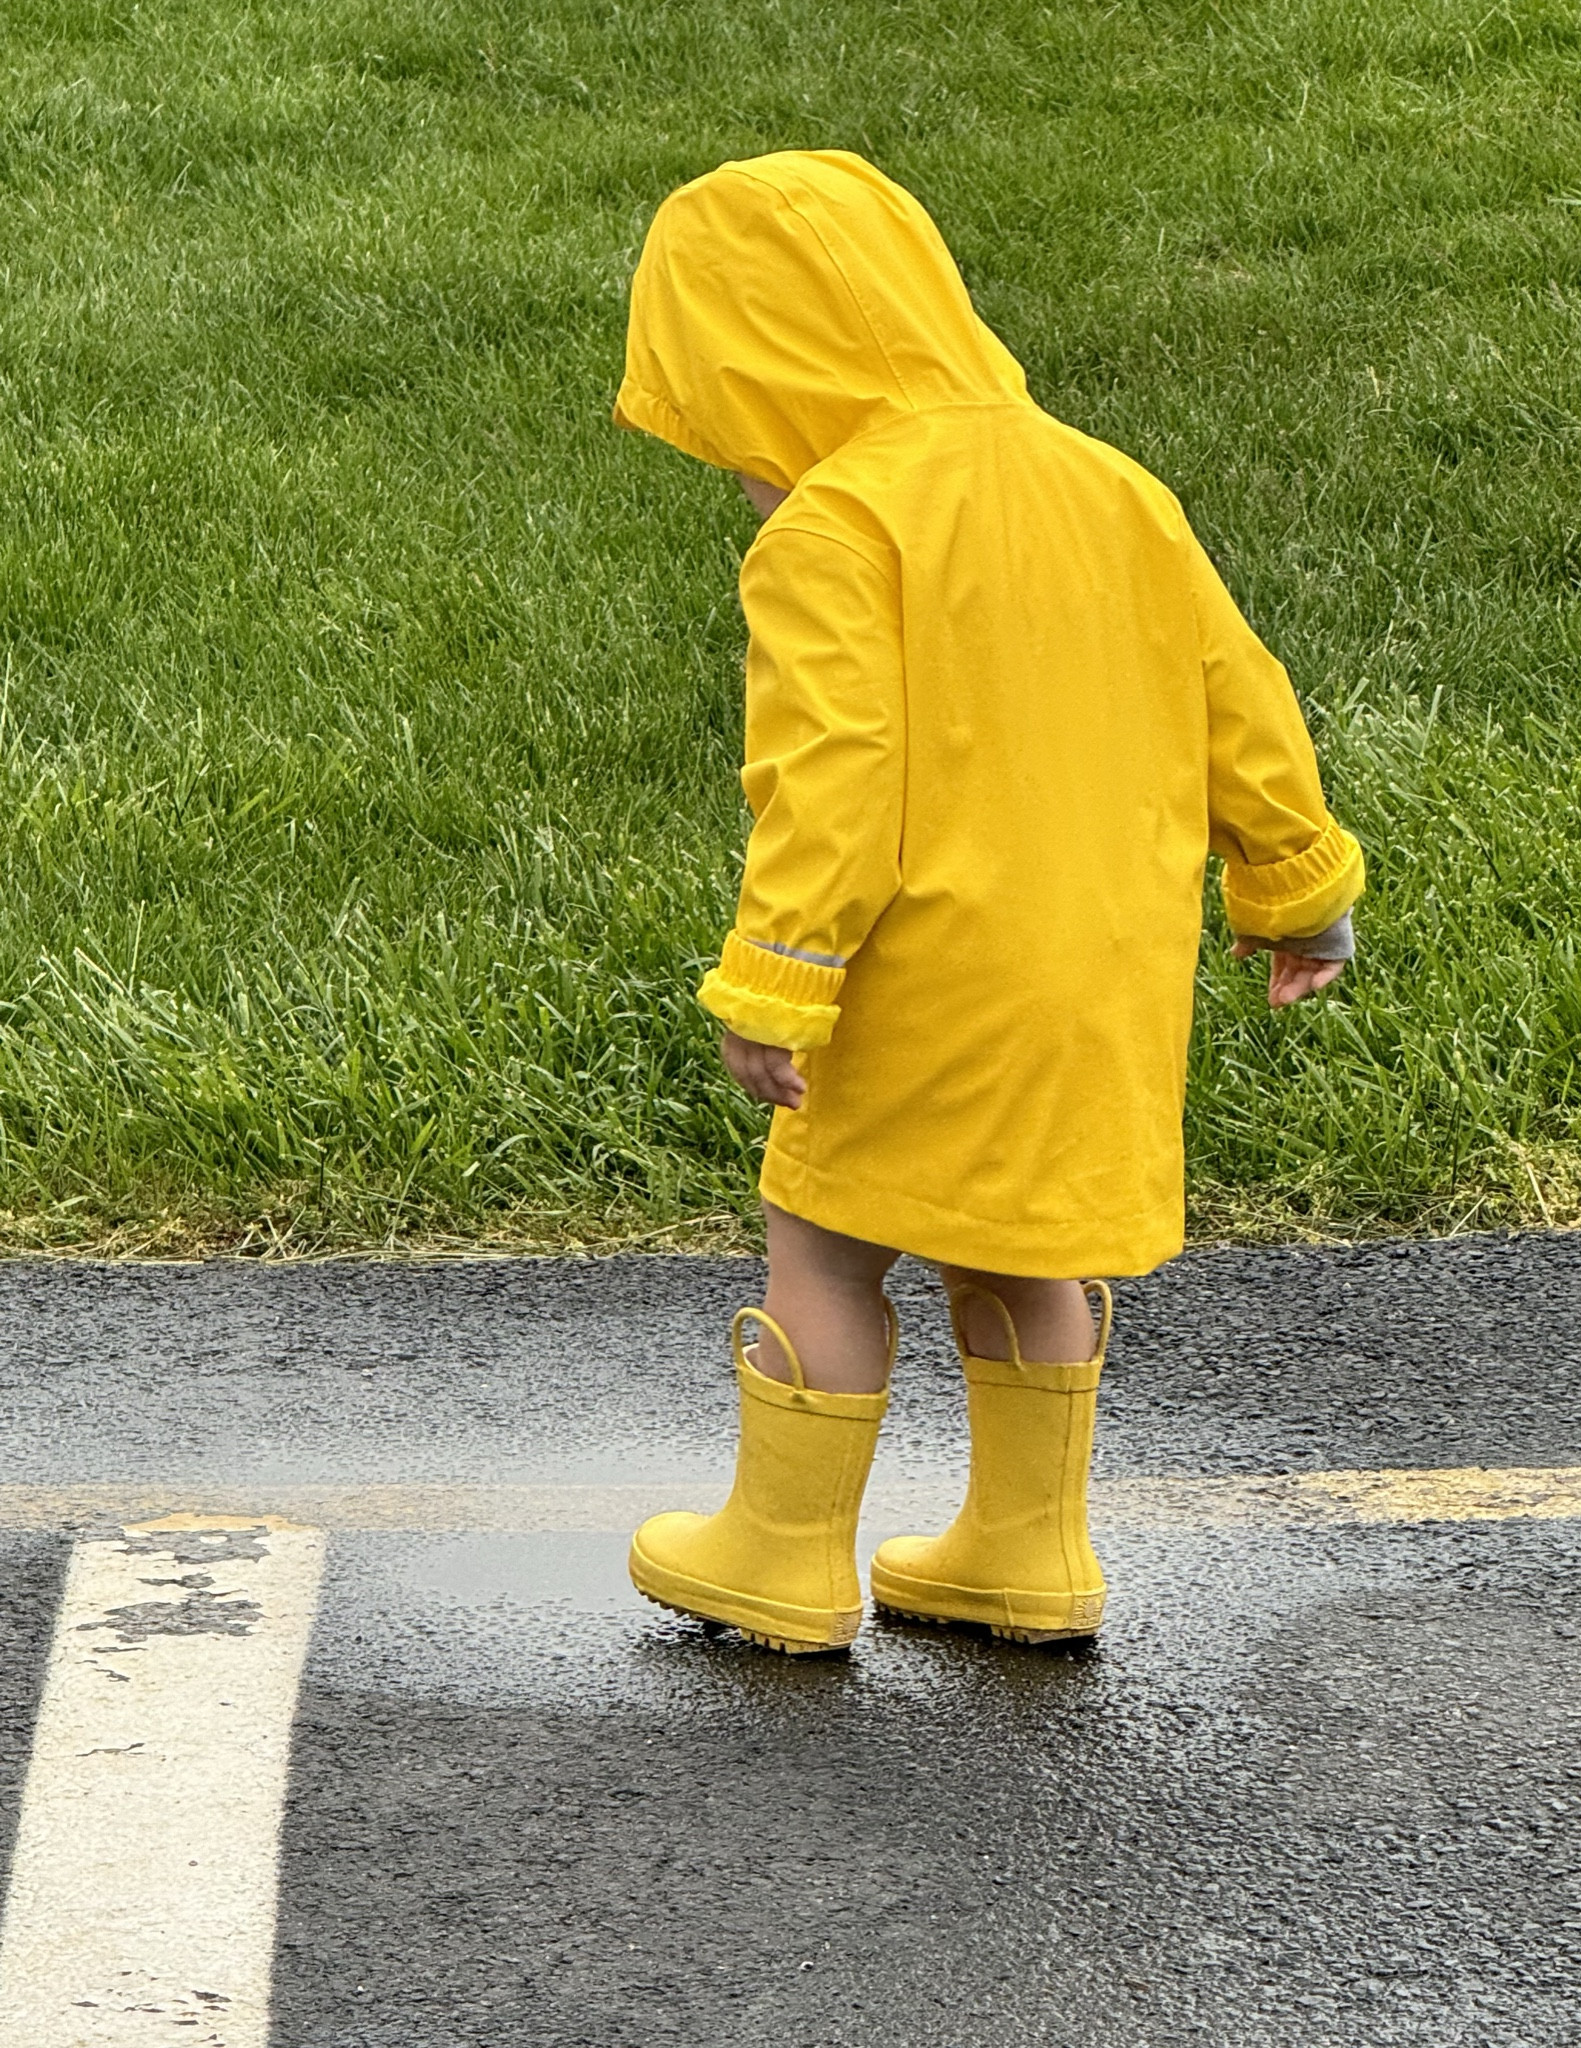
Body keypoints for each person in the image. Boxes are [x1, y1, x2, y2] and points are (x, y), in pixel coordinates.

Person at [612, 150, 1363, 1653]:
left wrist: (777, 977)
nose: (742, 471)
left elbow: (836, 779)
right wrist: (1296, 886)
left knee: (822, 1232)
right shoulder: (1112, 486)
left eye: (733, 429)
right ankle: (1027, 1553)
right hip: (1098, 965)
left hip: (921, 969)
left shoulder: (837, 528)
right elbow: (1240, 698)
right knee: (1027, 1235)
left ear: (777, 375)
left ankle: (779, 1552)